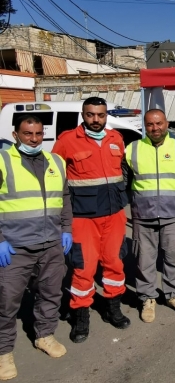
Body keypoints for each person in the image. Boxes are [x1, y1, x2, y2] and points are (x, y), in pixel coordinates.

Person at [52, 97, 130, 343]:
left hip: (114, 214)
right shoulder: (67, 141)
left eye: (100, 115)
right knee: (84, 268)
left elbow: (122, 171)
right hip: (83, 217)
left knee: (115, 263)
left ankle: (112, 308)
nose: (96, 119)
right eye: (90, 114)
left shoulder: (116, 138)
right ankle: (81, 316)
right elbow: (55, 179)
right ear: (83, 115)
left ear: (106, 115)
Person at [0, 116, 72, 381]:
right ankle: (3, 351)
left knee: (51, 293)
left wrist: (66, 229)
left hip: (51, 243)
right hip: (15, 246)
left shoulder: (56, 161)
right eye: (27, 134)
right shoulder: (3, 161)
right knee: (6, 301)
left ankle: (45, 335)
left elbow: (64, 198)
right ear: (15, 135)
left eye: (39, 134)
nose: (34, 139)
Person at [123, 109, 175, 323]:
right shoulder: (133, 149)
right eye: (150, 124)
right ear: (144, 126)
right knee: (144, 260)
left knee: (173, 258)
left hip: (173, 215)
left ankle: (173, 294)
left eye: (159, 123)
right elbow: (124, 183)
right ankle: (147, 298)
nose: (155, 128)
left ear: (167, 124)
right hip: (143, 215)